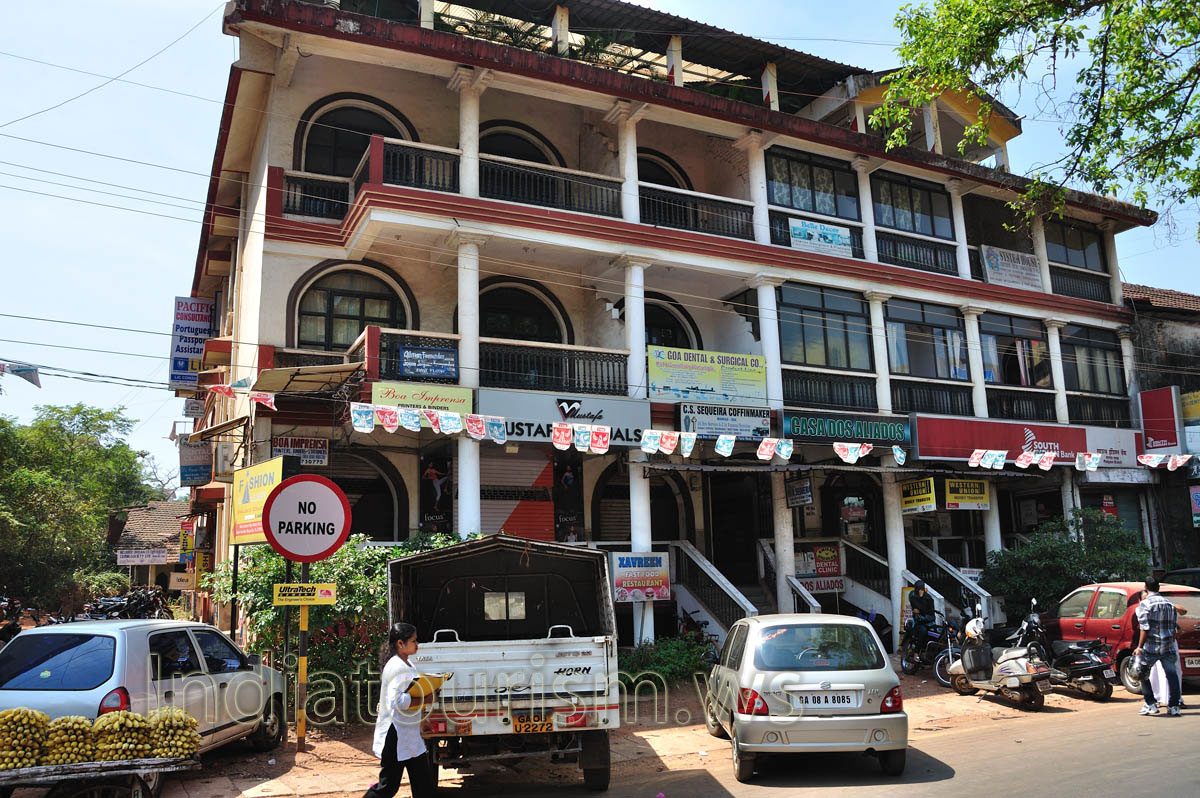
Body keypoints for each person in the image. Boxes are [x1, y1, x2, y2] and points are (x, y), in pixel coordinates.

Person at [364, 623, 434, 798]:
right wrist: (424, 699)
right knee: (388, 787)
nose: (417, 644)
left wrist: (422, 720)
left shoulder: (407, 664)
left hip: (409, 734)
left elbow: (411, 693)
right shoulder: (397, 666)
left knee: (424, 785)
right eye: (413, 641)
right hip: (395, 734)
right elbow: (398, 702)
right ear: (400, 644)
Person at [1134, 577, 1182, 717]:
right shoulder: (1169, 604)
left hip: (1151, 647)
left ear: (1145, 587)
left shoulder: (1144, 604)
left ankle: (1151, 704)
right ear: (1158, 588)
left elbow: (1144, 628)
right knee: (1172, 676)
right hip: (1168, 647)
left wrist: (1139, 647)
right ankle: (1174, 706)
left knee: (1142, 673)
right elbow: (1174, 628)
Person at [907, 581, 935, 651]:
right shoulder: (913, 598)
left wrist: (921, 611)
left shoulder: (929, 598)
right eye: (919, 589)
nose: (921, 591)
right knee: (923, 631)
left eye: (922, 589)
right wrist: (922, 611)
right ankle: (916, 651)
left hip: (929, 621)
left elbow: (931, 611)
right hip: (919, 622)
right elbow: (916, 610)